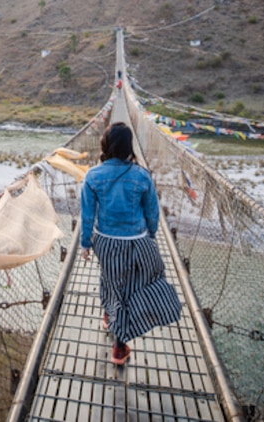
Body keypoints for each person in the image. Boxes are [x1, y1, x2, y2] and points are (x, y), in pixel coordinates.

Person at [80, 122, 182, 365]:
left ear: (105, 145)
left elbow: (87, 215)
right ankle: (119, 346)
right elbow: (152, 214)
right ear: (129, 146)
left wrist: (85, 243)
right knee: (132, 288)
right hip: (137, 241)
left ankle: (108, 314)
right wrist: (151, 237)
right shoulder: (142, 175)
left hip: (105, 242)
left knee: (110, 278)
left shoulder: (93, 175)